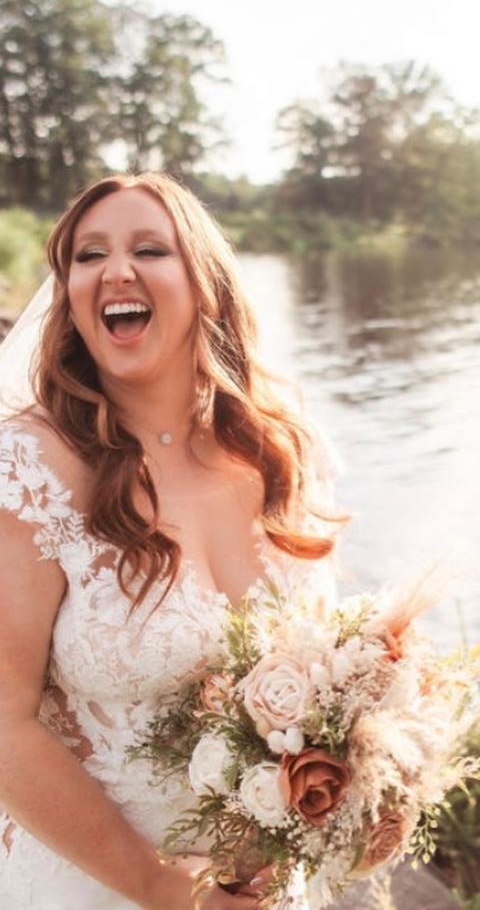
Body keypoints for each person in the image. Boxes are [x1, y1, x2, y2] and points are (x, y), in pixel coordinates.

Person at [0, 173, 339, 908]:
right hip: (101, 885)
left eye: (149, 249)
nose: (115, 271)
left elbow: (334, 670)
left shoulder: (277, 449)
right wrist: (160, 886)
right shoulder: (30, 469)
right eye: (89, 255)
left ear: (205, 283)